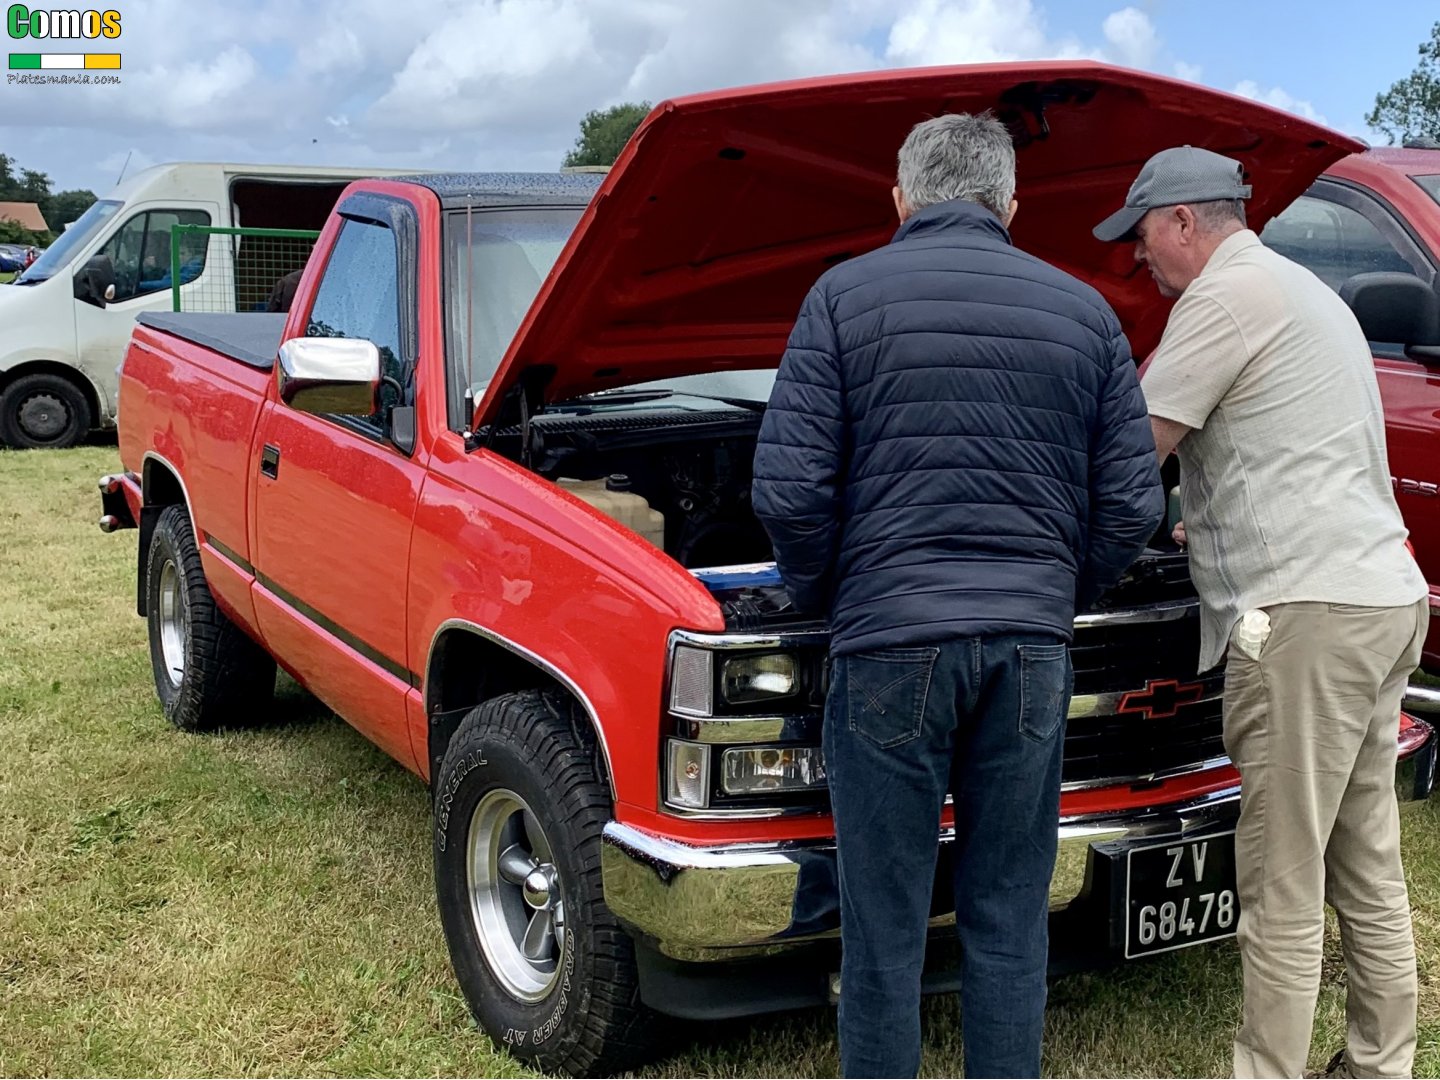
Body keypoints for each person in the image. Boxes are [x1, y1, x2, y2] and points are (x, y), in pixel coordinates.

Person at [752, 112, 1163, 1079]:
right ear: (1010, 203)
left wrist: (836, 593)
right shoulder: (1085, 313)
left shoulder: (840, 298)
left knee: (883, 927)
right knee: (1010, 917)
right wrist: (1054, 591)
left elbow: (788, 493)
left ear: (901, 200)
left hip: (888, 645)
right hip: (1029, 652)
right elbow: (1134, 503)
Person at [1094, 145, 1430, 1080]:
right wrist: (1208, 517)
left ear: (1184, 220)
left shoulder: (1221, 299)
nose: (1138, 259)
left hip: (1306, 618)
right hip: (1381, 598)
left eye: (1142, 236)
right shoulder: (1304, 291)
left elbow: (1131, 454)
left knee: (1280, 884)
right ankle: (1380, 1066)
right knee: (1366, 861)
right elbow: (1289, 447)